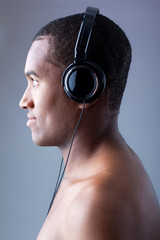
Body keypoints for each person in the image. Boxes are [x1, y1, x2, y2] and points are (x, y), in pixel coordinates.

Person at [19, 6, 160, 240]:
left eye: (34, 81)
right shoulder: (102, 171)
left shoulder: (94, 202)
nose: (24, 101)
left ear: (81, 87)